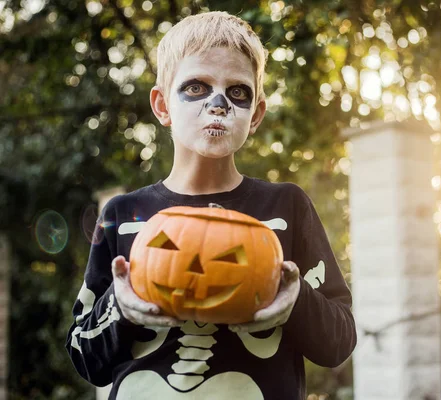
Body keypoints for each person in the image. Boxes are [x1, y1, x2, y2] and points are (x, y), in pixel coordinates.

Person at [65, 10, 356, 400]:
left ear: (256, 115)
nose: (218, 104)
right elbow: (85, 357)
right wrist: (121, 308)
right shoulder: (122, 216)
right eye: (197, 87)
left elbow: (339, 341)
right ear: (162, 105)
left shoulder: (286, 207)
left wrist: (295, 302)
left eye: (237, 92)